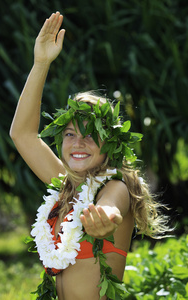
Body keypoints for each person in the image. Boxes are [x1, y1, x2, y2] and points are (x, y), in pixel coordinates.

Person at [10, 12, 170, 300]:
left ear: (110, 143)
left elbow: (112, 208)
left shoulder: (116, 186)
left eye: (90, 134)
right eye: (70, 134)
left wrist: (106, 219)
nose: (78, 143)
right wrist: (41, 63)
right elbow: (22, 135)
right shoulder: (64, 187)